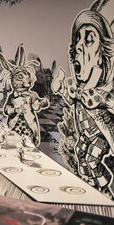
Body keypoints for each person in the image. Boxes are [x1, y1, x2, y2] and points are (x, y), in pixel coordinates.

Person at [52, 9, 114, 199]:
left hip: (99, 138)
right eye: (78, 40)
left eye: (89, 40)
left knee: (91, 158)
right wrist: (59, 85)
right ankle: (92, 191)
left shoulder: (102, 95)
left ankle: (104, 191)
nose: (79, 46)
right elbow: (68, 94)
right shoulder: (77, 89)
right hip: (85, 136)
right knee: (81, 155)